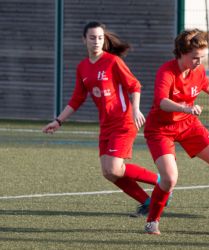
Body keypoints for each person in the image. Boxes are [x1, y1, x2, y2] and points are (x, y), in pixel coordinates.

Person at [42, 21, 160, 217]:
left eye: (99, 37)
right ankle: (147, 201)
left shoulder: (113, 61)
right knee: (109, 173)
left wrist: (136, 110)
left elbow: (135, 85)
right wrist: (58, 121)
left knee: (115, 167)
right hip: (106, 125)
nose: (96, 41)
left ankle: (162, 181)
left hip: (123, 122)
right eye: (92, 38)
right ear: (84, 40)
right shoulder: (83, 67)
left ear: (103, 39)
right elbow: (77, 99)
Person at [143, 28, 209, 234]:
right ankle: (152, 221)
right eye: (195, 58)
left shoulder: (197, 70)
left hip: (189, 125)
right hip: (161, 130)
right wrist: (185, 108)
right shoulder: (166, 71)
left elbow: (205, 82)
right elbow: (161, 102)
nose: (200, 62)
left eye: (202, 57)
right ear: (181, 54)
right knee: (170, 178)